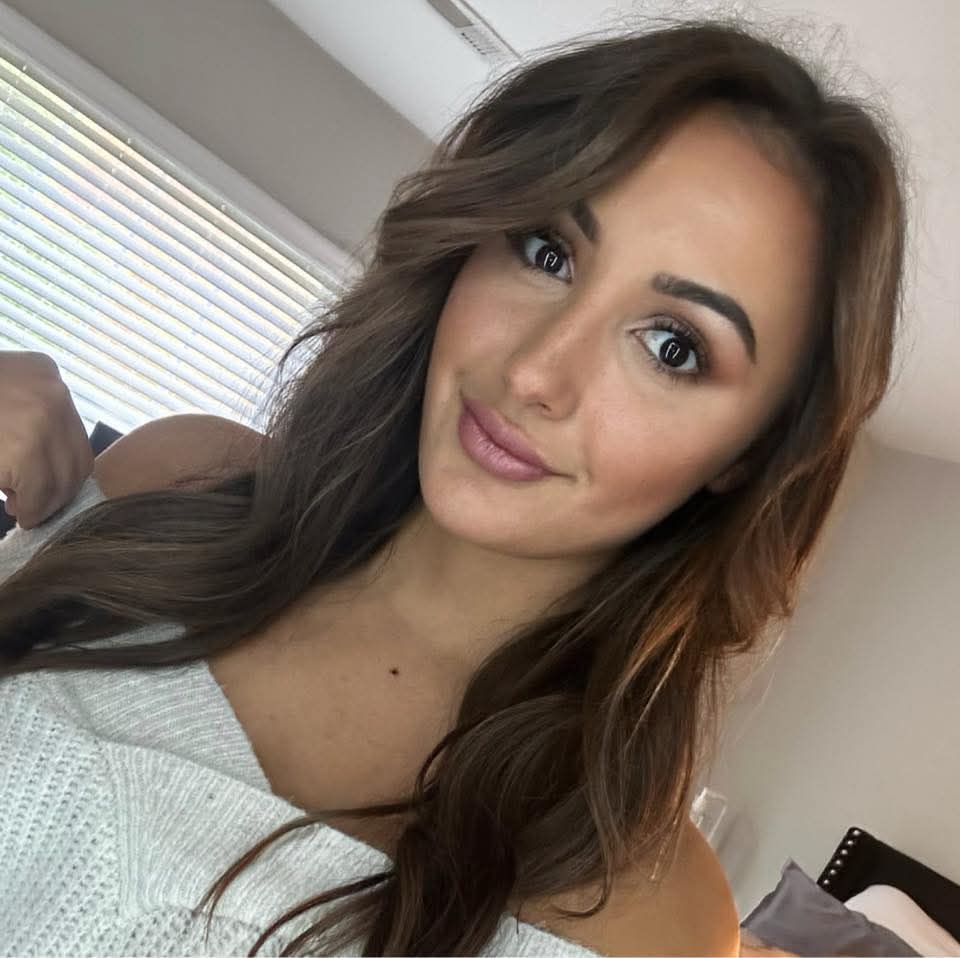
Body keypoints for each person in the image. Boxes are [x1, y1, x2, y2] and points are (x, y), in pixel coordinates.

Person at [0, 16, 906, 958]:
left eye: (673, 346)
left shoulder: (655, 922)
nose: (535, 371)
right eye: (548, 251)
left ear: (749, 456)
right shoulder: (172, 479)